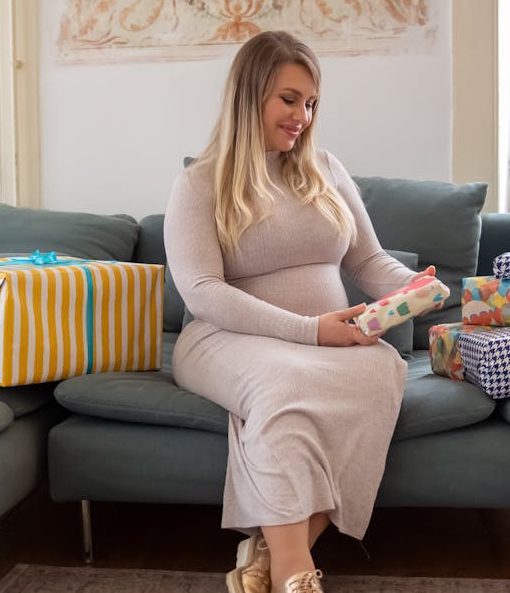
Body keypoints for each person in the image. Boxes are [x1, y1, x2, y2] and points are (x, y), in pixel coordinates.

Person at [163, 30, 438, 593]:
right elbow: (202, 292)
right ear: (250, 94)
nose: (303, 117)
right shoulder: (198, 183)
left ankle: (266, 557)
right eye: (289, 99)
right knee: (283, 382)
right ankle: (296, 573)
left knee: (383, 366)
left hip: (326, 341)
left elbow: (368, 258)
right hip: (222, 339)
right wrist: (309, 332)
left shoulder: (326, 170)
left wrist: (416, 285)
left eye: (311, 103)